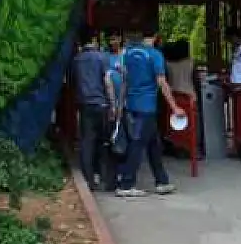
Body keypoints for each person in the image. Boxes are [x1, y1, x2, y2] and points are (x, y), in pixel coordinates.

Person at [115, 31, 185, 197]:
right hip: (146, 106)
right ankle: (126, 184)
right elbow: (162, 82)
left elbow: (124, 81)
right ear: (154, 37)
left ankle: (162, 181)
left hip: (131, 104)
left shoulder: (126, 54)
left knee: (154, 144)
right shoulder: (154, 55)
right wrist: (174, 107)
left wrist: (120, 105)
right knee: (138, 144)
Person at [69, 35, 117, 191]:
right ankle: (105, 177)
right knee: (104, 141)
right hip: (101, 104)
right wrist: (113, 104)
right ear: (94, 41)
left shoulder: (76, 60)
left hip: (84, 105)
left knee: (87, 142)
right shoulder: (102, 57)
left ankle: (88, 179)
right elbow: (107, 82)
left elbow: (71, 82)